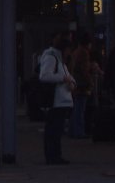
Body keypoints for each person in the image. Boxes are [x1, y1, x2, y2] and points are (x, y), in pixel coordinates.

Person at [39, 31, 76, 165]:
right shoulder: (52, 58)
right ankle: (52, 156)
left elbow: (68, 75)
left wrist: (71, 81)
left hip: (61, 101)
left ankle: (55, 155)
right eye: (68, 50)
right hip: (56, 101)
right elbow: (44, 76)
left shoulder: (59, 60)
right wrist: (63, 79)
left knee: (56, 130)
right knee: (53, 130)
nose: (69, 53)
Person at [68, 32, 92, 138]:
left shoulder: (75, 52)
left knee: (76, 109)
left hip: (75, 83)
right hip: (82, 84)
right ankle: (79, 132)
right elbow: (84, 70)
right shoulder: (84, 53)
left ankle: (73, 130)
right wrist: (90, 81)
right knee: (80, 109)